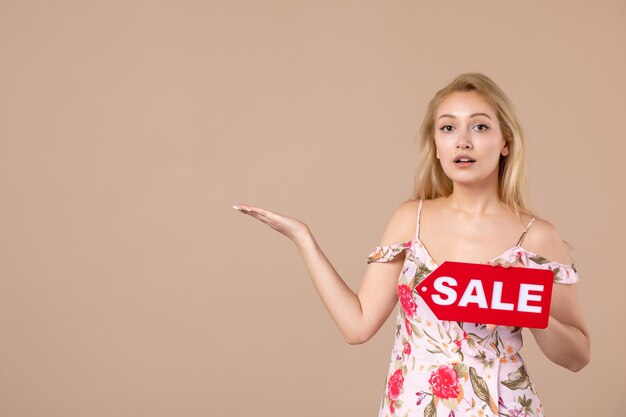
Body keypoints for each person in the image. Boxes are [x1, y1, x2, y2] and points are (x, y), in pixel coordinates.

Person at [232, 72, 590, 417]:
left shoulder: (536, 236)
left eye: (480, 126)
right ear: (436, 145)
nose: (463, 141)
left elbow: (577, 356)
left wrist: (526, 306)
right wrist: (303, 239)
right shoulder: (410, 219)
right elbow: (356, 327)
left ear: (506, 142)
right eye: (448, 128)